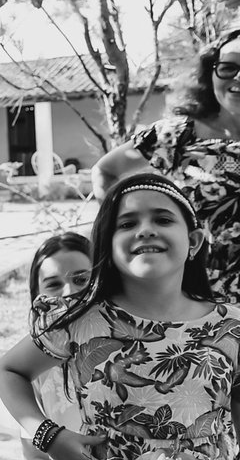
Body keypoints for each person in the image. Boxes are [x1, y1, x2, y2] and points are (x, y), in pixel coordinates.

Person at [0, 174, 240, 460]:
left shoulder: (230, 328)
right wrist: (48, 436)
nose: (146, 229)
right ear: (107, 246)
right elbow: (8, 370)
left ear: (193, 241)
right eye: (126, 224)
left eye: (163, 219)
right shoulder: (79, 320)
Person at [93, 29, 240, 302]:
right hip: (199, 302)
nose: (238, 78)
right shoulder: (175, 137)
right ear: (211, 73)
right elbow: (105, 171)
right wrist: (123, 229)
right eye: (229, 68)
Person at [0, 233, 92, 460]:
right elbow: (35, 457)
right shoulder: (26, 368)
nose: (70, 292)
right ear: (36, 294)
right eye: (54, 284)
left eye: (82, 279)